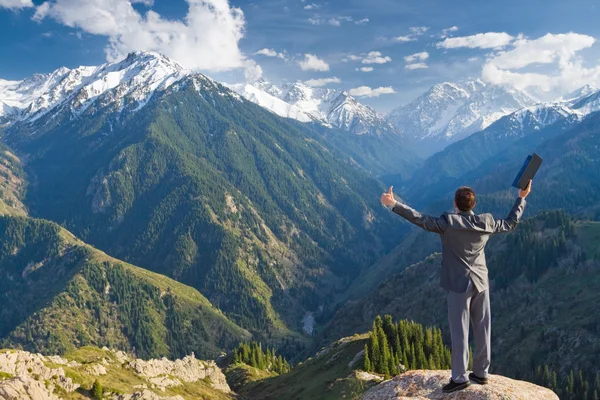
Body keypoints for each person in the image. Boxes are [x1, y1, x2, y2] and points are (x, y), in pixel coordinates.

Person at [380, 181, 531, 393]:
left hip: (458, 284)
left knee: (460, 331)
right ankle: (481, 372)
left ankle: (459, 378)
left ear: (455, 204)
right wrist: (521, 198)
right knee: (483, 327)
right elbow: (510, 223)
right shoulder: (486, 222)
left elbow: (420, 219)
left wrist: (393, 204)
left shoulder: (447, 222)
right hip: (481, 281)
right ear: (473, 204)